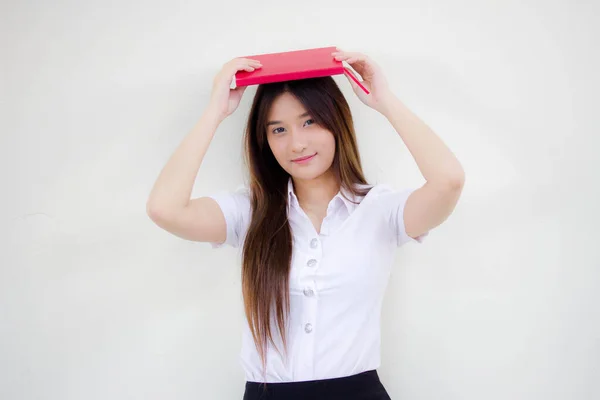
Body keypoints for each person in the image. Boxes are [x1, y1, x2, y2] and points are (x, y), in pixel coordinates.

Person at [146, 48, 465, 399]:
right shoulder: (249, 212)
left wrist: (385, 101)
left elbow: (448, 181)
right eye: (278, 129)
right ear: (265, 142)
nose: (296, 143)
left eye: (309, 121)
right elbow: (165, 209)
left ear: (335, 122)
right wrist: (214, 112)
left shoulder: (380, 210)